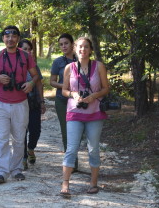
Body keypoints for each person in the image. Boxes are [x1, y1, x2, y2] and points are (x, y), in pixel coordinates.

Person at [0, 26, 39, 183]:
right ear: (3, 38)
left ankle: (16, 169)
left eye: (14, 36)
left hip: (21, 103)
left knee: (19, 138)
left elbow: (35, 77)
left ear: (18, 38)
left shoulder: (26, 56)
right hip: (1, 103)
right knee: (1, 138)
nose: (10, 39)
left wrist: (31, 84)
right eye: (7, 36)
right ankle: (1, 171)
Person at [60, 37, 110, 197]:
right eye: (80, 47)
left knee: (93, 148)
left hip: (94, 113)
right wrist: (73, 94)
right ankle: (65, 183)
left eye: (86, 47)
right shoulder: (69, 67)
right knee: (71, 148)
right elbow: (64, 90)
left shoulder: (99, 66)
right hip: (74, 112)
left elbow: (105, 88)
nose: (83, 50)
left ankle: (93, 183)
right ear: (75, 48)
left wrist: (94, 96)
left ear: (90, 49)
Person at [50, 33, 78, 169]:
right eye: (61, 44)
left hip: (79, 101)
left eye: (66, 43)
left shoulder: (81, 59)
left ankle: (75, 160)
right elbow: (52, 82)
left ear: (72, 44)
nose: (63, 46)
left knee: (78, 131)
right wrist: (65, 86)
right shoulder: (58, 62)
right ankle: (71, 164)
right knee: (66, 131)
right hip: (62, 100)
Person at [18, 39, 46, 170]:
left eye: (30, 49)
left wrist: (42, 101)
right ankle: (23, 157)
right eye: (25, 49)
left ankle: (31, 148)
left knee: (35, 130)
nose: (28, 51)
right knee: (21, 131)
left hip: (33, 102)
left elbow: (39, 83)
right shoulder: (15, 64)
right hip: (19, 102)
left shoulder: (34, 65)